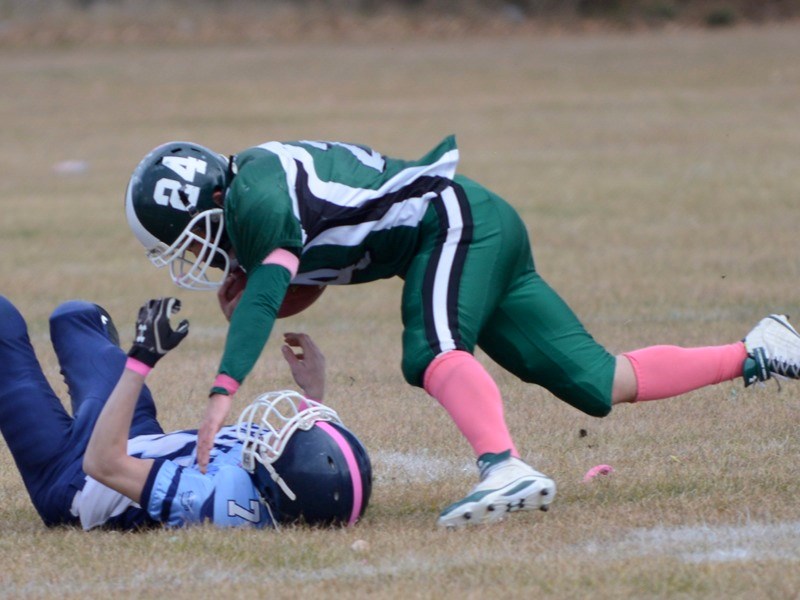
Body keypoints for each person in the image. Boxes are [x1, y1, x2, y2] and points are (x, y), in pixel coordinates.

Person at [124, 137, 800, 527]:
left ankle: (502, 468)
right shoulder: (255, 192)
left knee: (432, 348)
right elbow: (310, 268)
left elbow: (274, 286)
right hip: (477, 221)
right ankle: (761, 350)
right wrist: (258, 294)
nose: (197, 255)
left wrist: (222, 391)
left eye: (186, 239)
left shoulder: (256, 194)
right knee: (598, 381)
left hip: (452, 222)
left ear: (208, 198)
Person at [0, 295, 371, 530]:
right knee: (75, 316)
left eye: (289, 440)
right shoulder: (286, 484)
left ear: (280, 489)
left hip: (74, 476)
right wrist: (314, 392)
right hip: (138, 436)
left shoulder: (219, 501)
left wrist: (141, 362)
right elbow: (313, 473)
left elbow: (102, 462)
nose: (283, 433)